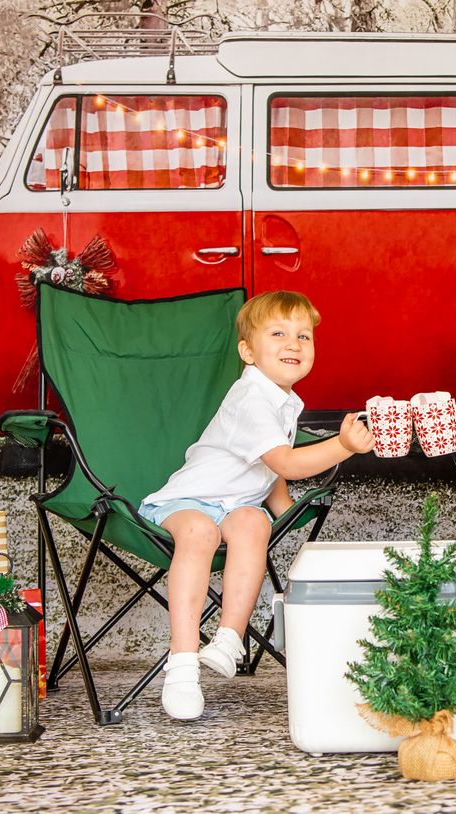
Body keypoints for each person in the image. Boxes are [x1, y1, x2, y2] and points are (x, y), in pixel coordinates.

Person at [139, 290, 375, 721]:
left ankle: (229, 637)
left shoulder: (281, 399)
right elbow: (286, 460)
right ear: (248, 351)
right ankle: (183, 665)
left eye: (304, 336)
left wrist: (283, 511)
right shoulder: (251, 398)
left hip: (236, 506)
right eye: (279, 333)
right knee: (201, 532)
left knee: (253, 524)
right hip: (189, 502)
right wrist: (342, 445)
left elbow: (270, 468)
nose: (294, 344)